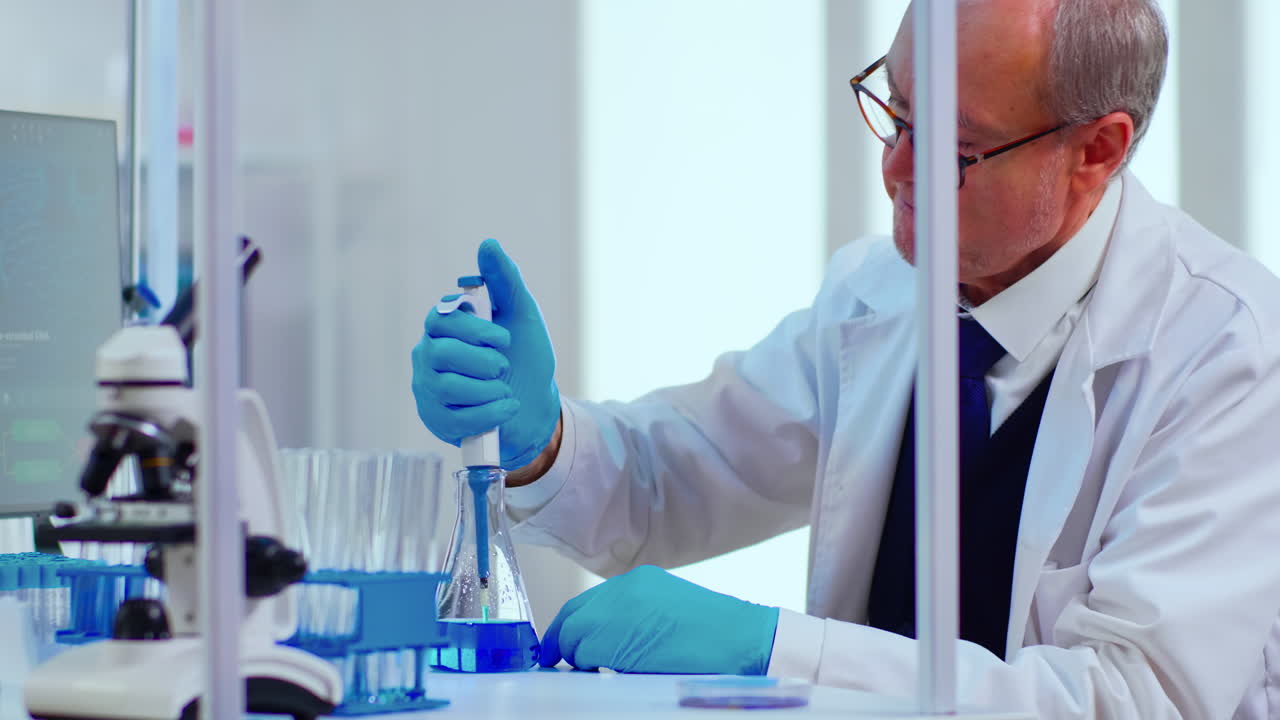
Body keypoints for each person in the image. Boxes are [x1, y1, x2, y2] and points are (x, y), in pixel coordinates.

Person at [411, 0, 1280, 716]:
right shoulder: (880, 292)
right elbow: (680, 478)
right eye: (893, 110)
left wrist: (773, 651)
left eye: (953, 148)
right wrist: (542, 441)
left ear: (1098, 150)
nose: (895, 168)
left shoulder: (1230, 355)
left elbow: (1132, 700)